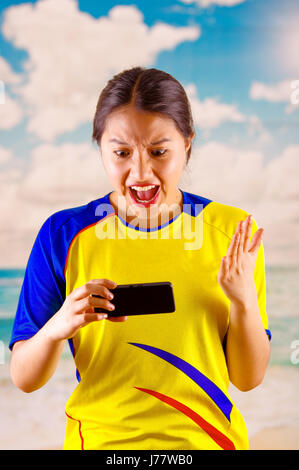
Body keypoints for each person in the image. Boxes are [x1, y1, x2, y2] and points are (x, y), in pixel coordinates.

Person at [9, 66, 271, 450]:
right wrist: (59, 325)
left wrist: (242, 300)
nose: (141, 171)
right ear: (100, 148)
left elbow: (248, 378)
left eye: (158, 151)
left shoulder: (233, 232)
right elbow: (24, 378)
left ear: (188, 144)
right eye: (121, 153)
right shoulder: (62, 235)